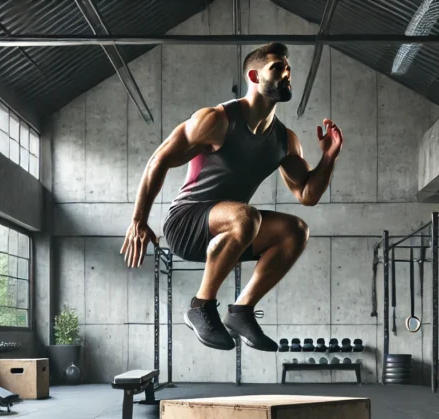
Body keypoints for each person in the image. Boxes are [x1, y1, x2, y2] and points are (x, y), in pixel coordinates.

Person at [121, 42, 343, 352]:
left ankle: (241, 312)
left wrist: (330, 157)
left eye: (288, 69)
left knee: (296, 231)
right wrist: (138, 220)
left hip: (234, 229)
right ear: (254, 75)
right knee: (246, 216)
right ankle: (201, 306)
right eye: (277, 68)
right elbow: (159, 159)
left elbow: (307, 193)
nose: (286, 74)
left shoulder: (285, 139)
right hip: (187, 222)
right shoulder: (216, 120)